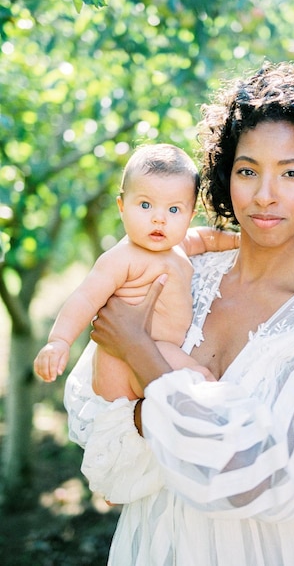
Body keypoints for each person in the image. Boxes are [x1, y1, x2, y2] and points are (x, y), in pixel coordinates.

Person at [64, 62, 294, 566]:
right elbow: (104, 461)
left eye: (291, 172)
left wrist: (142, 359)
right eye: (248, 170)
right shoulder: (183, 271)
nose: (264, 194)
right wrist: (164, 412)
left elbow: (273, 480)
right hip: (146, 548)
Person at [35, 143, 239, 399]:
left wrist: (238, 241)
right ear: (121, 206)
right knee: (202, 381)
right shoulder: (123, 258)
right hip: (126, 359)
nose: (159, 218)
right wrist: (59, 341)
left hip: (152, 351)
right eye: (145, 205)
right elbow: (85, 298)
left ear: (190, 215)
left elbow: (206, 239)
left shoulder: (178, 246)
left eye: (174, 209)